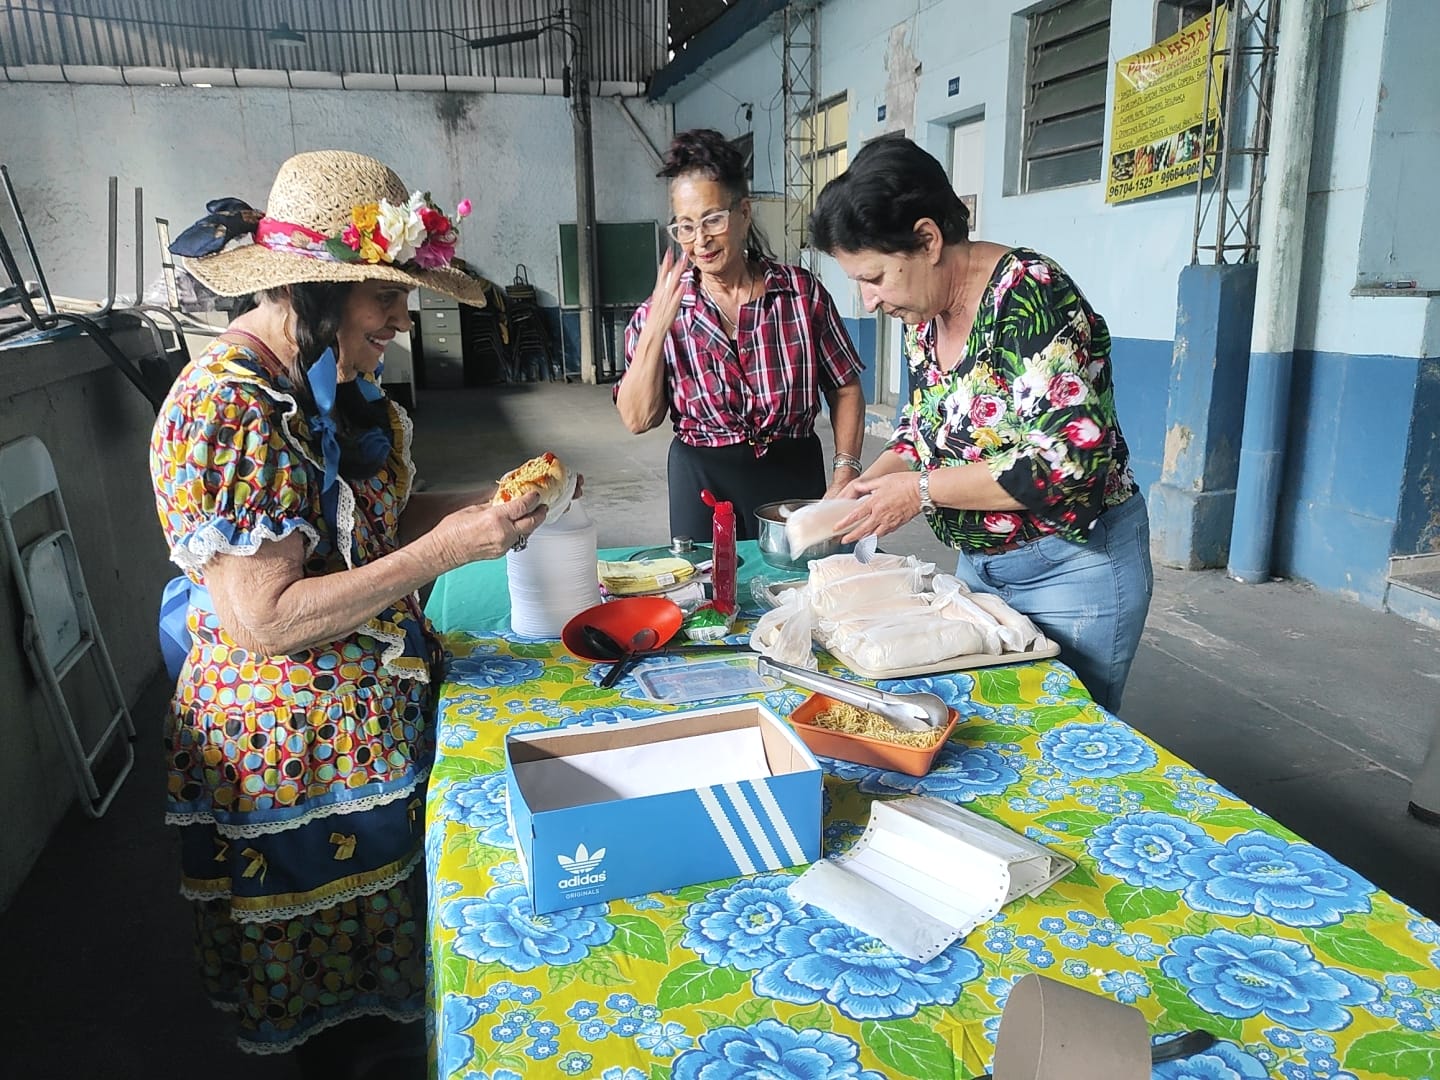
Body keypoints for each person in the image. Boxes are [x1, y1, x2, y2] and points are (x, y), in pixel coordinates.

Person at [151, 150, 554, 1076]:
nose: (403, 319)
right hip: (296, 761)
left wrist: (478, 511)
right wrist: (444, 553)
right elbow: (266, 620)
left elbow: (360, 531)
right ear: (317, 291)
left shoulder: (322, 382)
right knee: (339, 1025)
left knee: (383, 997)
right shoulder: (233, 410)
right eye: (386, 295)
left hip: (362, 729)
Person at [810, 137, 1153, 714]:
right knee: (989, 722)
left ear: (927, 239)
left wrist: (918, 491)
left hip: (1071, 569)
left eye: (875, 278)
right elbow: (922, 430)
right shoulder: (924, 316)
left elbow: (1065, 463)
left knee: (1059, 731)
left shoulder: (1030, 296)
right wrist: (867, 487)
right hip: (982, 567)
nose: (868, 302)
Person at [615, 128, 867, 541]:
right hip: (702, 480)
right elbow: (638, 418)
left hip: (793, 473)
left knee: (799, 578)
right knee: (708, 581)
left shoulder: (799, 294)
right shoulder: (658, 313)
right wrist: (656, 330)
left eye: (713, 219)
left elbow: (844, 387)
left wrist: (845, 472)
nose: (700, 240)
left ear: (744, 212)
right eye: (685, 227)